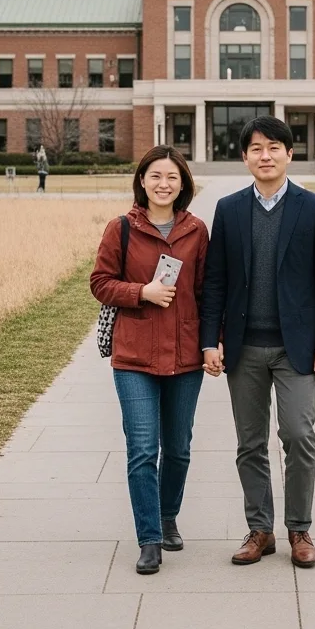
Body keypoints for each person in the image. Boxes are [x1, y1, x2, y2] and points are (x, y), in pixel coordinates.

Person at [200, 115, 315, 570]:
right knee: (250, 442)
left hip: (295, 348)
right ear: (244, 157)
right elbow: (216, 283)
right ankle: (260, 529)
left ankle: (299, 529)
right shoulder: (229, 209)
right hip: (244, 348)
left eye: (274, 147)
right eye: (256, 148)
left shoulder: (314, 208)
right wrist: (210, 341)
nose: (265, 155)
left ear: (289, 154)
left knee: (299, 435)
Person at [90, 145, 209, 575]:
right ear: (142, 181)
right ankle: (149, 539)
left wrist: (213, 343)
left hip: (185, 357)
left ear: (183, 185)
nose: (163, 184)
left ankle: (168, 515)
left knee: (177, 449)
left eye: (172, 177)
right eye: (155, 176)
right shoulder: (120, 228)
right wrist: (141, 292)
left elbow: (205, 293)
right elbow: (100, 283)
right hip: (134, 357)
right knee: (142, 450)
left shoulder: (197, 231)